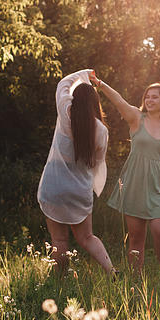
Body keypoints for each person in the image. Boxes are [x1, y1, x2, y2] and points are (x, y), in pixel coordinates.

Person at [89, 72, 160, 283]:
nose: (150, 100)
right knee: (136, 238)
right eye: (147, 96)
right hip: (135, 182)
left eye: (155, 96)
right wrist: (100, 84)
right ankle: (136, 280)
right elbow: (118, 100)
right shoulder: (137, 117)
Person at [37, 69, 116, 276]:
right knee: (87, 237)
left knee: (60, 240)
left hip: (53, 185)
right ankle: (111, 270)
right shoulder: (101, 131)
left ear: (75, 99)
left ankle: (60, 281)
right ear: (95, 104)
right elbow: (98, 161)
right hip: (79, 190)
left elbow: (62, 84)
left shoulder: (65, 112)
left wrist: (83, 73)